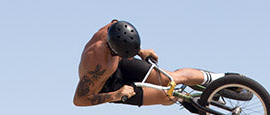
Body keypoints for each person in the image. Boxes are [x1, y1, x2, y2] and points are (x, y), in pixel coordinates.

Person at [73, 20, 231, 109]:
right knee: (167, 96)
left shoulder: (112, 27)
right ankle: (189, 99)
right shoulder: (96, 64)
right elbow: (80, 99)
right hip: (108, 87)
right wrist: (115, 95)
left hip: (121, 64)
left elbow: (122, 32)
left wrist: (140, 51)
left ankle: (223, 79)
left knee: (170, 79)